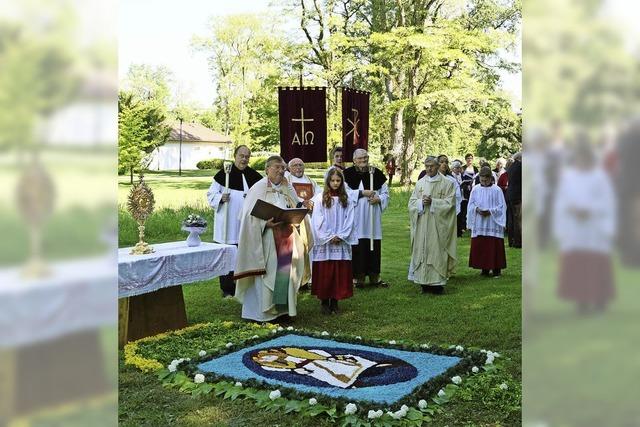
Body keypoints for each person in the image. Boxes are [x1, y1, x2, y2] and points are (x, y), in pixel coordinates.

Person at [233, 156, 313, 322]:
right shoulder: (258, 188)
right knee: (269, 274)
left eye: (283, 168)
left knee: (286, 273)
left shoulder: (287, 187)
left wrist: (299, 212)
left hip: (287, 236)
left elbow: (296, 205)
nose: (280, 170)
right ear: (267, 169)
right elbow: (247, 216)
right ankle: (265, 312)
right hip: (267, 239)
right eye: (277, 167)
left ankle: (283, 310)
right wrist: (264, 224)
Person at [553, 141, 615, 313]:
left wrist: (590, 210)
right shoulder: (568, 177)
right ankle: (580, 300)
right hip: (574, 227)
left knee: (595, 262)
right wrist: (570, 210)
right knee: (577, 263)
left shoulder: (600, 177)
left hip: (594, 226)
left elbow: (607, 200)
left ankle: (599, 299)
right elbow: (561, 200)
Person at [207, 145, 263, 297]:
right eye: (241, 156)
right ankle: (227, 289)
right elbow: (210, 194)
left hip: (246, 223)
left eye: (247, 156)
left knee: (243, 255)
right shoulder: (224, 174)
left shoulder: (254, 176)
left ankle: (243, 286)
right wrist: (220, 197)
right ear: (235, 155)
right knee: (227, 256)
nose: (244, 159)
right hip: (229, 223)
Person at [309, 167, 357, 314]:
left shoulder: (347, 198)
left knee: (338, 270)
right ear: (328, 181)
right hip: (326, 241)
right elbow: (318, 219)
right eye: (332, 180)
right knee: (326, 270)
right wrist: (329, 236)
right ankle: (324, 301)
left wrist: (341, 235)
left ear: (342, 182)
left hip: (341, 239)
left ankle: (335, 300)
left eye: (338, 180)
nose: (335, 183)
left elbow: (351, 219)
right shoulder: (319, 198)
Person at [408, 156, 457, 294]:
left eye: (432, 166)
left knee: (437, 251)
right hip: (423, 223)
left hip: (438, 226)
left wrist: (433, 202)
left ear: (438, 166)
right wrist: (420, 203)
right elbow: (411, 203)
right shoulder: (420, 184)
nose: (429, 169)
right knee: (422, 250)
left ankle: (437, 285)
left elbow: (450, 204)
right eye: (426, 166)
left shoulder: (447, 183)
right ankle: (423, 283)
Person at [343, 148, 390, 288]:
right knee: (358, 247)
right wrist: (362, 193)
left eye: (365, 158)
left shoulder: (376, 173)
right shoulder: (347, 174)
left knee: (373, 246)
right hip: (356, 217)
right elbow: (344, 193)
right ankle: (358, 278)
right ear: (354, 160)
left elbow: (386, 194)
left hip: (372, 218)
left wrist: (379, 199)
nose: (363, 161)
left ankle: (375, 276)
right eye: (360, 158)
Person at [284, 157, 319, 290]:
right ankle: (298, 279)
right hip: (296, 218)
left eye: (300, 165)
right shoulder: (287, 181)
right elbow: (288, 195)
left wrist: (312, 203)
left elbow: (319, 194)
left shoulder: (311, 181)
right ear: (289, 168)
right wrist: (302, 202)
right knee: (297, 248)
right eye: (295, 165)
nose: (298, 168)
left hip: (311, 217)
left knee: (310, 247)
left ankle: (309, 279)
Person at [467, 166, 507, 277]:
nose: (484, 182)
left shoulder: (497, 190)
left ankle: (496, 269)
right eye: (482, 180)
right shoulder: (475, 189)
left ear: (491, 178)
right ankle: (484, 268)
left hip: (493, 221)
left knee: (494, 244)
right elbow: (471, 204)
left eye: (486, 180)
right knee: (482, 244)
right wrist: (477, 209)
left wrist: (490, 211)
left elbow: (502, 206)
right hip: (480, 220)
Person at [506, 152, 522, 248]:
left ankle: (511, 240)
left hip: (511, 195)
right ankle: (518, 242)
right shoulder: (520, 166)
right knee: (518, 219)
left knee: (512, 219)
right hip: (518, 196)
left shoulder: (511, 167)